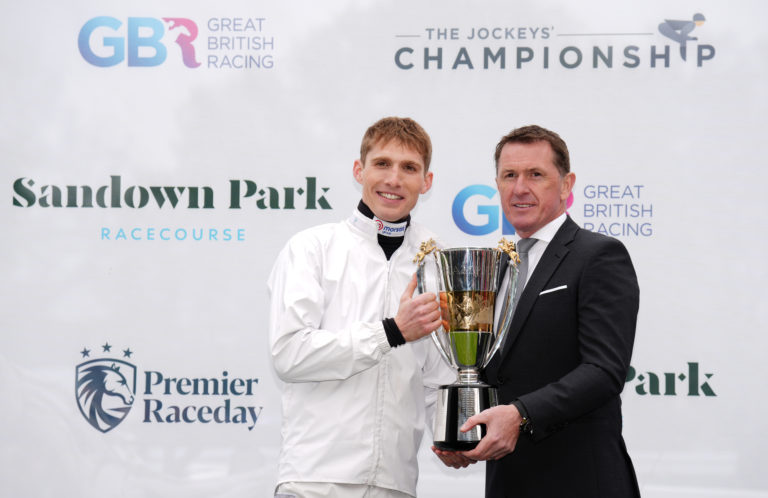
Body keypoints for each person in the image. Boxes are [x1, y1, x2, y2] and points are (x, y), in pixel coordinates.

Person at [434, 125, 641, 497]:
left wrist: (520, 414)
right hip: (508, 482)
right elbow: (492, 372)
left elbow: (604, 370)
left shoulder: (598, 256)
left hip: (579, 481)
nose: (520, 188)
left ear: (565, 184)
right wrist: (464, 430)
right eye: (509, 175)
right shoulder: (495, 268)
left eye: (536, 175)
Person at [268, 117, 455, 498]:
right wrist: (391, 332)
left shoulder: (436, 258)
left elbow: (438, 374)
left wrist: (453, 435)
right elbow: (289, 354)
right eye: (382, 164)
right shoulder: (312, 248)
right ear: (359, 170)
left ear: (427, 181)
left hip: (395, 484)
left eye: (409, 168)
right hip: (315, 481)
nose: (393, 179)